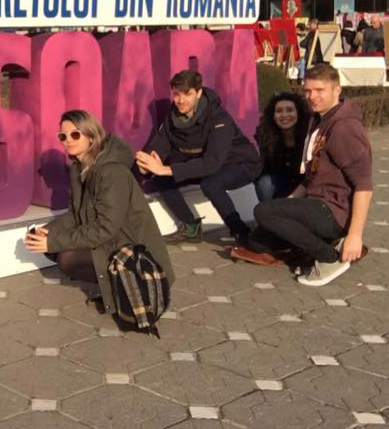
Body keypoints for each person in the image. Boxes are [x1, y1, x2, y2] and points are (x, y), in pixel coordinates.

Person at [24, 109, 174, 317]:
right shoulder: (80, 168)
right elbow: (76, 214)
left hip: (134, 250)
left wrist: (55, 241)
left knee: (67, 258)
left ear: (91, 136)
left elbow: (106, 228)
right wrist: (48, 231)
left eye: (75, 134)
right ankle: (113, 287)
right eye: (63, 136)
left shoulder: (111, 172)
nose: (68, 140)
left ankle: (126, 288)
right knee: (55, 246)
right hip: (112, 239)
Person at [253, 63, 372, 286]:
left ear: (337, 90)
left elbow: (364, 185)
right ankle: (315, 246)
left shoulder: (343, 127)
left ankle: (329, 258)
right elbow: (311, 176)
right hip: (316, 201)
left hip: (333, 211)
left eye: (319, 90)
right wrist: (287, 205)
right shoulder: (319, 119)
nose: (312, 96)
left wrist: (355, 235)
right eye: (308, 90)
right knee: (259, 239)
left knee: (263, 211)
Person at [135, 70, 262, 244]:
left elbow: (212, 162)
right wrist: (146, 165)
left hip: (239, 163)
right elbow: (160, 145)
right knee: (162, 178)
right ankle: (191, 227)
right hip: (204, 163)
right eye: (177, 94)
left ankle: (241, 232)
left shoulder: (218, 118)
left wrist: (167, 168)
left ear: (199, 92)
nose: (180, 100)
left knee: (211, 184)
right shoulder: (172, 118)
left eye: (187, 94)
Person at [254, 92, 308, 201]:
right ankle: (270, 215)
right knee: (265, 183)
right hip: (278, 184)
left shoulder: (309, 134)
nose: (284, 115)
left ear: (299, 112)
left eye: (289, 110)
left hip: (306, 184)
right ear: (273, 115)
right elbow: (262, 170)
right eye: (279, 111)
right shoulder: (265, 136)